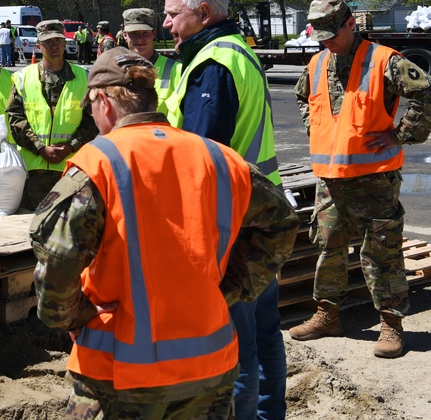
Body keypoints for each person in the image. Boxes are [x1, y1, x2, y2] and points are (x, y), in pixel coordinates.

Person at [30, 48, 299, 419]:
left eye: (89, 104)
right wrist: (234, 288)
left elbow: (57, 262)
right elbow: (281, 223)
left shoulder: (96, 165)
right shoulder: (222, 159)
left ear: (104, 101)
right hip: (209, 367)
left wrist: (74, 317)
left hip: (117, 374)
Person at [162, 0, 283, 420]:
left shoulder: (213, 63)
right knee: (267, 332)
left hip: (228, 224)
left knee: (239, 342)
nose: (167, 24)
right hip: (257, 214)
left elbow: (198, 154)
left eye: (174, 14)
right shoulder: (237, 52)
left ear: (204, 13)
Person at [290, 0, 431, 358]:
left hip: (375, 179)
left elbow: (425, 93)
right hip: (329, 177)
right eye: (319, 36)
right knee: (328, 248)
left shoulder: (384, 60)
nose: (326, 43)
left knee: (381, 252)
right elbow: (303, 98)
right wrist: (313, 126)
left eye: (332, 34)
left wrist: (403, 133)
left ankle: (391, 323)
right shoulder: (317, 63)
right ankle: (327, 315)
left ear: (351, 24)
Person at [6, 20, 97, 210]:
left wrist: (70, 146)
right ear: (38, 45)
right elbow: (15, 119)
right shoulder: (23, 77)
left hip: (73, 169)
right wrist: (39, 148)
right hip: (33, 171)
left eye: (58, 41)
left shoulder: (85, 78)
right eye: (47, 42)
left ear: (65, 44)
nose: (53, 46)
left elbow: (94, 120)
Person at [121, 7, 178, 114]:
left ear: (153, 34)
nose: (140, 39)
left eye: (145, 33)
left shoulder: (175, 69)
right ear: (124, 35)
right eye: (134, 33)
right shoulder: (115, 69)